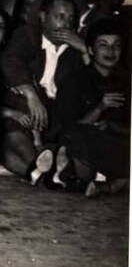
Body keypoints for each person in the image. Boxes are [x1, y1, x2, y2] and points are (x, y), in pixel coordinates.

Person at [0, 0, 88, 182]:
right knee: (19, 106)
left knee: (8, 150)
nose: (66, 24)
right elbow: (10, 62)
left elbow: (93, 80)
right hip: (30, 110)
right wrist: (32, 95)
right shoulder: (27, 35)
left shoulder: (76, 46)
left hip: (60, 115)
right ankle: (49, 173)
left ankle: (39, 172)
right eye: (60, 17)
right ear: (43, 17)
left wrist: (83, 49)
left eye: (71, 18)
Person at [55, 18, 129, 198]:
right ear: (90, 50)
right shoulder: (75, 81)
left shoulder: (126, 80)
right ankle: (109, 182)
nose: (111, 51)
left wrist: (112, 127)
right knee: (77, 139)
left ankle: (108, 184)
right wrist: (100, 108)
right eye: (103, 45)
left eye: (116, 46)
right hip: (87, 143)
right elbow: (69, 127)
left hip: (119, 145)